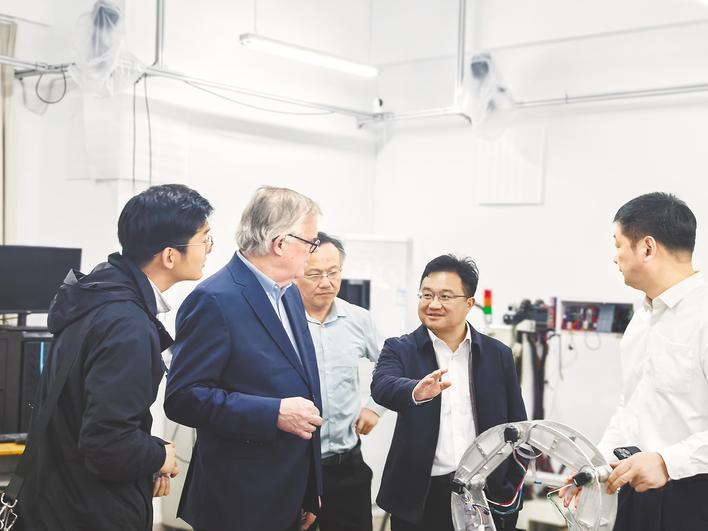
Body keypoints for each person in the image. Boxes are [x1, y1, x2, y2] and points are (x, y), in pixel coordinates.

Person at [17, 184, 213, 530]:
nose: (209, 248)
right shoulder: (127, 325)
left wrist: (147, 455)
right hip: (89, 512)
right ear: (170, 256)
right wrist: (160, 455)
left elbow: (96, 423)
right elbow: (106, 445)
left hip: (59, 499)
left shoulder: (97, 297)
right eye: (204, 239)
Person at [164, 186, 324, 531]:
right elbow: (183, 398)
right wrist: (273, 413)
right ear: (280, 243)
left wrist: (310, 489)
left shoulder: (290, 294)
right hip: (238, 498)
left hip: (289, 490)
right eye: (310, 242)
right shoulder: (214, 300)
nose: (314, 252)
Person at [371, 254, 526, 531]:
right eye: (426, 295)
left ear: (469, 304)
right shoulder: (400, 348)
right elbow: (382, 386)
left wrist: (509, 482)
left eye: (445, 296)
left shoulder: (497, 354)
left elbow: (518, 423)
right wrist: (415, 390)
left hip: (485, 491)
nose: (433, 304)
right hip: (421, 495)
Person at [596, 192, 708, 530]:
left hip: (693, 497)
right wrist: (594, 465)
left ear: (647, 247)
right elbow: (630, 405)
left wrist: (666, 462)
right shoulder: (642, 317)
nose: (614, 257)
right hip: (634, 494)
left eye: (618, 244)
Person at [294, 232, 386, 531]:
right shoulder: (282, 322)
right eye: (314, 274)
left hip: (347, 465)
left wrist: (375, 406)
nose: (326, 282)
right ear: (295, 272)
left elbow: (391, 364)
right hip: (296, 466)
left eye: (333, 273)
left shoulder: (358, 319)